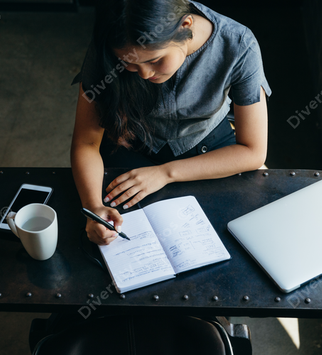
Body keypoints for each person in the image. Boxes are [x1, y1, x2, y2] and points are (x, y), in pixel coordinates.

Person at [71, 0, 271, 245]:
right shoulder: (111, 42)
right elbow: (86, 142)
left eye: (155, 60)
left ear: (185, 25)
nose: (144, 74)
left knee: (241, 231)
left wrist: (165, 173)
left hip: (208, 143)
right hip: (132, 141)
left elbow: (253, 151)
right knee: (111, 237)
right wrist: (93, 209)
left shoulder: (239, 44)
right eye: (130, 63)